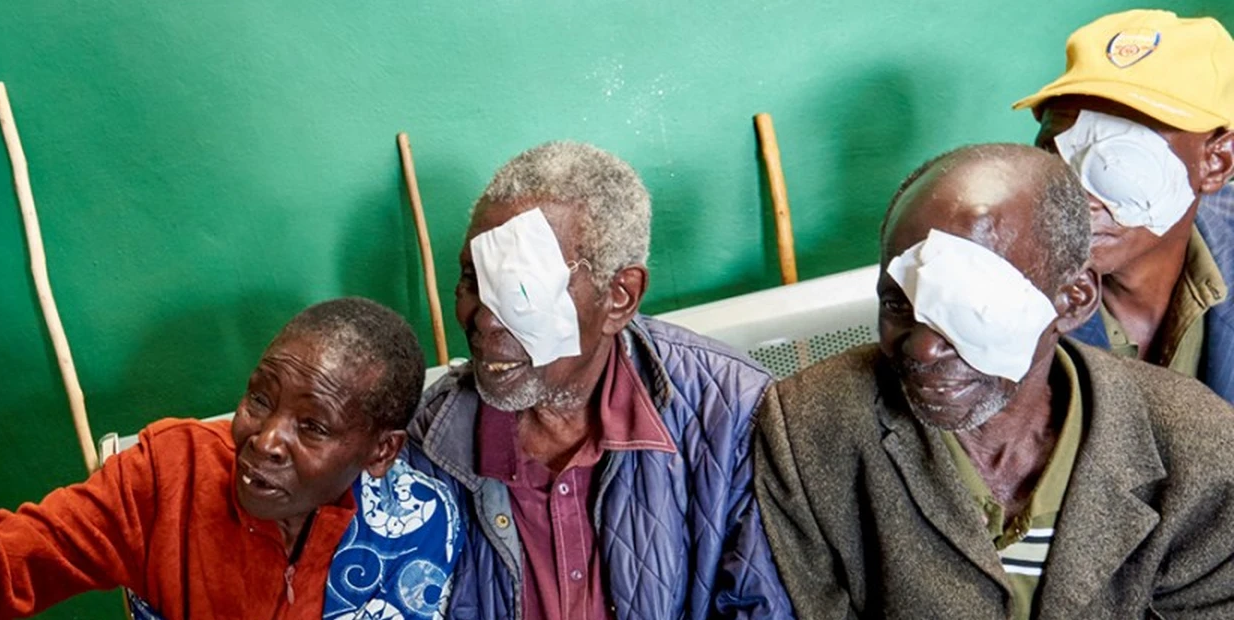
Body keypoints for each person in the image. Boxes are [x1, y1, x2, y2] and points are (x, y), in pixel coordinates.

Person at [0, 297, 469, 620]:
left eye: (312, 427)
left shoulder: (426, 527)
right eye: (258, 399)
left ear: (380, 452)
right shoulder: (167, 477)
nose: (264, 439)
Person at [757, 143, 1234, 618]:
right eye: (898, 304)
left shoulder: (1200, 452)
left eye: (968, 309)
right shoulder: (807, 431)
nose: (922, 348)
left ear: (1073, 299)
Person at [410, 141, 791, 619]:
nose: (484, 320)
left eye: (520, 290)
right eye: (472, 280)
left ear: (619, 297)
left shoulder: (732, 416)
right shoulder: (427, 443)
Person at [1014, 9, 1234, 399]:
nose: (1072, 198)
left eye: (1117, 162)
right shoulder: (1001, 286)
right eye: (1055, 152)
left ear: (1216, 162)